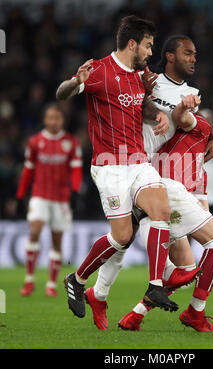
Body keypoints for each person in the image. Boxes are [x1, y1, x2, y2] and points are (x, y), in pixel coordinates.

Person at [56, 15, 190, 317]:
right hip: (109, 166)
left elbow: (139, 106)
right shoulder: (99, 71)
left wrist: (158, 114)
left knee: (161, 210)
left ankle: (156, 284)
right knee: (122, 236)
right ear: (132, 43)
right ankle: (76, 280)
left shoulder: (140, 74)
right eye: (148, 45)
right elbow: (61, 94)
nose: (151, 53)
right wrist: (75, 81)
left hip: (138, 161)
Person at [83, 35, 213, 329]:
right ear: (169, 56)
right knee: (125, 237)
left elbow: (183, 128)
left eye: (196, 54)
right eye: (188, 53)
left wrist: (205, 131)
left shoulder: (193, 94)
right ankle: (117, 291)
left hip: (150, 168)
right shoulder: (148, 79)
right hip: (122, 161)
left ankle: (103, 293)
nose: (194, 58)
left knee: (125, 238)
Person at [17, 103, 83, 297]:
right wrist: (21, 193)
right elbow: (28, 169)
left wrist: (77, 189)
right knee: (35, 231)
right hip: (40, 195)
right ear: (45, 120)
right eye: (50, 118)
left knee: (57, 241)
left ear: (62, 120)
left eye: (57, 118)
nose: (53, 121)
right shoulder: (36, 141)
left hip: (61, 199)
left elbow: (76, 169)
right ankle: (29, 280)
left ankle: (51, 284)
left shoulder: (70, 143)